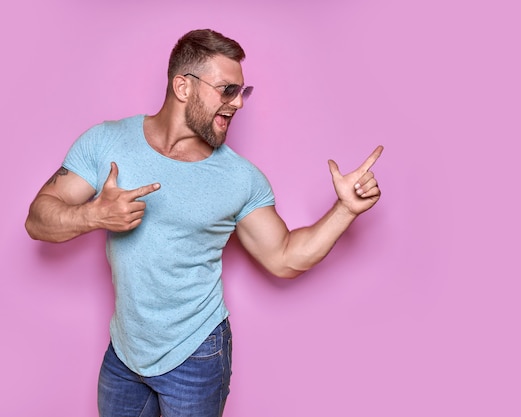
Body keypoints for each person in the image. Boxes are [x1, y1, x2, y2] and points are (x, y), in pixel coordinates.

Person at [25, 28, 382, 417]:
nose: (238, 104)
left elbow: (283, 257)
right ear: (183, 87)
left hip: (197, 355)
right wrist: (92, 214)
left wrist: (345, 210)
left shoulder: (240, 178)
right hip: (124, 353)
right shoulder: (105, 142)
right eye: (228, 90)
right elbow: (38, 219)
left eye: (243, 92)